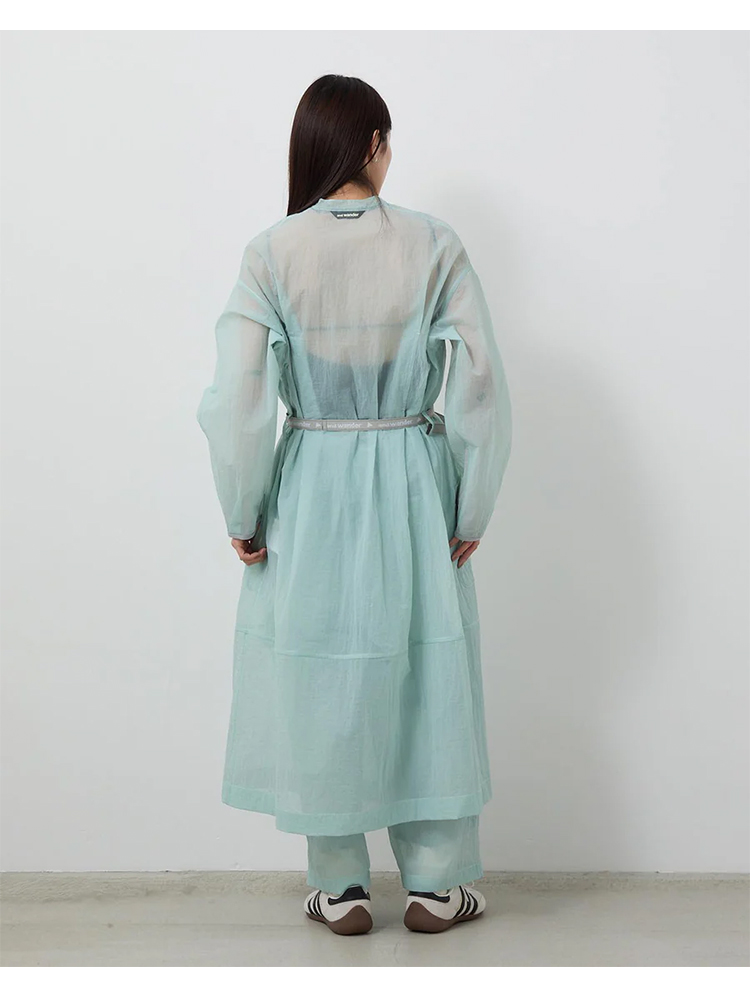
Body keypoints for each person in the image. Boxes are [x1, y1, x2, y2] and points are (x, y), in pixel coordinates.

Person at [196, 74, 512, 936]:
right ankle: (436, 883)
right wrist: (470, 505)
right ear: (373, 143)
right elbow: (481, 382)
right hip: (412, 477)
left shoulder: (271, 252)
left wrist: (244, 508)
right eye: (388, 139)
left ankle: (339, 884)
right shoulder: (433, 244)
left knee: (321, 670)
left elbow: (237, 395)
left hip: (311, 483)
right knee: (427, 672)